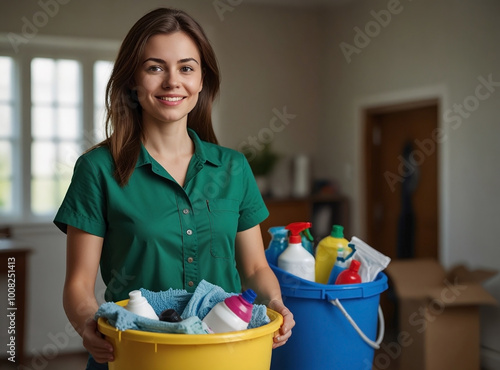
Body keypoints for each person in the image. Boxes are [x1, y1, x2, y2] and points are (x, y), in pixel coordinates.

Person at [54, 7, 294, 369]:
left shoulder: (233, 168)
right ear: (133, 80)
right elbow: (78, 284)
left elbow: (256, 267)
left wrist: (274, 302)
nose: (172, 82)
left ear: (201, 80)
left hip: (226, 355)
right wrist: (89, 325)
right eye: (155, 67)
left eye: (186, 67)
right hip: (134, 356)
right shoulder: (98, 170)